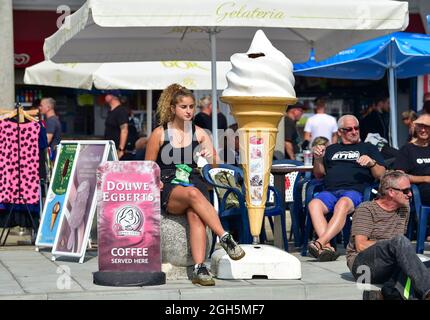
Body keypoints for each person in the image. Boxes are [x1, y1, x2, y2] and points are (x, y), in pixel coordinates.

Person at [145, 84, 245, 286]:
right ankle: (224, 236)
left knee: (195, 214)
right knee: (192, 194)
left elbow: (215, 166)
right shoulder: (160, 134)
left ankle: (200, 268)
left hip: (194, 180)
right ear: (173, 108)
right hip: (169, 185)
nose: (189, 111)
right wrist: (154, 180)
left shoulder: (200, 133)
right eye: (184, 107)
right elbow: (148, 167)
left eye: (191, 107)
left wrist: (209, 158)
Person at [307, 115, 386, 261]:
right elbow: (319, 174)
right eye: (349, 129)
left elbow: (381, 174)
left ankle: (319, 242)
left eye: (356, 128)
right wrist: (317, 158)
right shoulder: (331, 149)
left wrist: (372, 163)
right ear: (340, 132)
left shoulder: (368, 148)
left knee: (342, 203)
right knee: (314, 204)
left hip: (354, 192)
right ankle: (327, 248)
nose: (354, 131)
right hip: (330, 191)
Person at [346, 170, 430, 300]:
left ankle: (385, 295)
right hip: (363, 267)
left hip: (389, 264)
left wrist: (398, 250)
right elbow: (360, 245)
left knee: (422, 266)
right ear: (391, 192)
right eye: (406, 191)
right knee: (400, 243)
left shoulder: (404, 208)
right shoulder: (366, 209)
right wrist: (393, 246)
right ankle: (428, 291)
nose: (410, 194)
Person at [394, 114, 430, 207]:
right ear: (416, 128)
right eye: (420, 127)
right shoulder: (407, 149)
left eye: (426, 127)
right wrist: (425, 179)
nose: (423, 130)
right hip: (419, 190)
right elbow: (399, 175)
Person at [103, 91, 129, 160]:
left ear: (113, 96)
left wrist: (121, 149)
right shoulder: (111, 111)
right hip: (110, 149)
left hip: (117, 150)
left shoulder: (121, 111)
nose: (105, 96)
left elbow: (124, 130)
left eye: (107, 94)